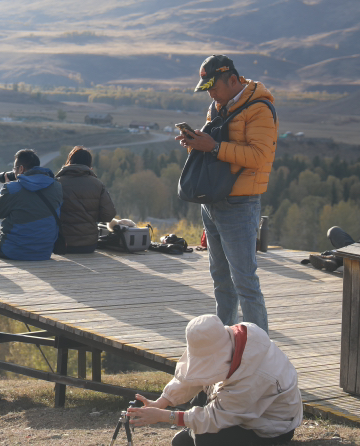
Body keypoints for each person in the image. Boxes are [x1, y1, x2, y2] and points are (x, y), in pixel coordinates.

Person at [177, 55, 278, 333]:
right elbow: (216, 150)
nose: (210, 94)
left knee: (245, 281)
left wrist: (212, 147)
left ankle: (258, 348)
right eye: (206, 89)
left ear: (233, 80)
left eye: (213, 87)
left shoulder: (260, 108)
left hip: (239, 204)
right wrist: (195, 144)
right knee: (221, 279)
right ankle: (224, 342)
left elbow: (259, 156)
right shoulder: (217, 105)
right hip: (212, 200)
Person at [127, 314, 302, 446]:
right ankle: (194, 430)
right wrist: (161, 402)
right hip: (239, 409)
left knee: (205, 439)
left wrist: (164, 416)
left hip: (268, 427)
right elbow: (192, 375)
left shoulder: (255, 375)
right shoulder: (227, 338)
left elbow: (216, 417)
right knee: (183, 441)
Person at [0, 148, 63, 261]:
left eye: (14, 169)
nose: (14, 172)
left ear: (21, 169)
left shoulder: (12, 188)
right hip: (44, 252)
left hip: (13, 251)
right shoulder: (56, 186)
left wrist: (6, 187)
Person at [55, 146, 116, 254]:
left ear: (69, 162)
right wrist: (90, 216)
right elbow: (108, 214)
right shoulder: (97, 184)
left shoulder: (57, 183)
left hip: (61, 244)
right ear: (89, 165)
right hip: (89, 245)